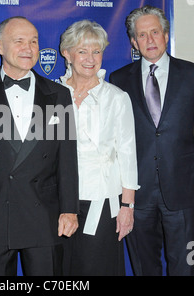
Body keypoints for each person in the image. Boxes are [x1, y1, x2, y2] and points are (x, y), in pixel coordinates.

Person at [0, 16, 79, 276]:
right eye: (19, 41)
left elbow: (67, 158)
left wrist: (69, 209)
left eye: (33, 41)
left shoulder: (59, 94)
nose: (28, 48)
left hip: (45, 214)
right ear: (0, 47)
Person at [109, 5, 194, 276]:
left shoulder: (193, 75)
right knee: (145, 268)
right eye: (142, 35)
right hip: (137, 193)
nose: (149, 40)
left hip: (184, 191)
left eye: (155, 32)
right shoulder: (119, 80)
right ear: (134, 41)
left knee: (187, 266)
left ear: (166, 36)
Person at [59, 20, 140, 276]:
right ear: (67, 54)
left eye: (97, 51)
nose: (90, 59)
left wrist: (128, 207)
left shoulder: (117, 97)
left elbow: (128, 153)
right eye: (82, 51)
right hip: (58, 200)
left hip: (103, 201)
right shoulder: (52, 94)